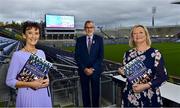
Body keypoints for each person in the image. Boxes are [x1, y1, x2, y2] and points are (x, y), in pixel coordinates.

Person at [118, 24, 168, 107]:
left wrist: (145, 86)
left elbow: (163, 77)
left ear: (146, 35)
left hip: (150, 96)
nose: (138, 35)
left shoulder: (155, 54)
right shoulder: (127, 54)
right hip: (130, 95)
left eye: (141, 32)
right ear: (132, 37)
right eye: (135, 33)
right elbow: (126, 74)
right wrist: (121, 72)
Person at [6, 21, 52, 107]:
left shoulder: (41, 53)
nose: (34, 36)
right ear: (24, 35)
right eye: (30, 33)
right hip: (28, 95)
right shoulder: (17, 55)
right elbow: (9, 81)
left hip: (43, 94)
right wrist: (30, 84)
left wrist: (47, 80)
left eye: (36, 33)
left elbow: (45, 75)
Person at [75, 20, 104, 107]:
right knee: (85, 93)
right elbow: (77, 57)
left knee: (96, 93)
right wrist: (84, 68)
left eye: (91, 27)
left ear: (94, 28)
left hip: (95, 71)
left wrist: (92, 68)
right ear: (84, 29)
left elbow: (100, 57)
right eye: (87, 27)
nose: (89, 29)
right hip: (83, 72)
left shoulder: (99, 39)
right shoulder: (79, 40)